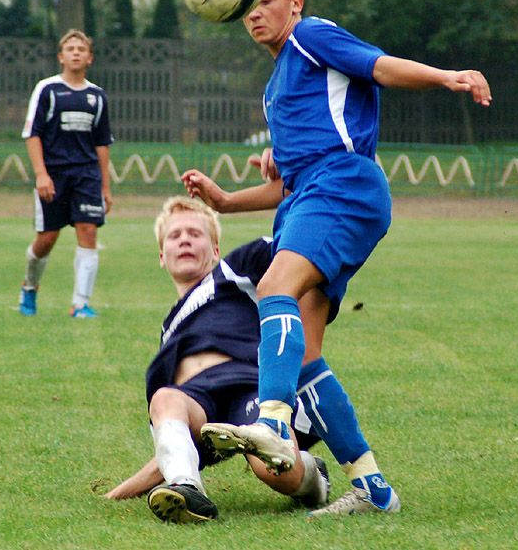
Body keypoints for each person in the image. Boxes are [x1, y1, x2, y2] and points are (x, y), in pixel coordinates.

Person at [182, 0, 492, 516]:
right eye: (248, 6)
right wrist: (227, 200)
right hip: (313, 197)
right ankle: (374, 491)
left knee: (273, 288)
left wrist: (446, 76)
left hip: (342, 187)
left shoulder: (311, 36)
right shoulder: (277, 84)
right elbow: (288, 185)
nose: (256, 15)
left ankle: (272, 417)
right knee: (306, 357)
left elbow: (379, 66)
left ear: (295, 4)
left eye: (267, 1)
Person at [104, 196, 330, 523]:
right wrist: (117, 495)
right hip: (201, 403)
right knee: (166, 398)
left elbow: (297, 249)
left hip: (252, 385)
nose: (184, 239)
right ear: (161, 256)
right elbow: (179, 448)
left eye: (195, 234)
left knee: (271, 471)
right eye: (174, 235)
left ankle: (313, 477)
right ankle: (186, 489)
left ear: (215, 251)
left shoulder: (235, 269)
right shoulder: (169, 331)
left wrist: (293, 184)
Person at [18, 30, 113, 318]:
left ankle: (80, 304)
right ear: (61, 57)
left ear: (90, 58)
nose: (75, 52)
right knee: (47, 238)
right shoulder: (47, 90)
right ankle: (30, 286)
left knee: (88, 231)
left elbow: (102, 143)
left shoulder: (97, 96)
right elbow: (32, 134)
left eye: (81, 49)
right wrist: (41, 174)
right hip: (54, 175)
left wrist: (106, 188)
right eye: (69, 48)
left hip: (86, 175)